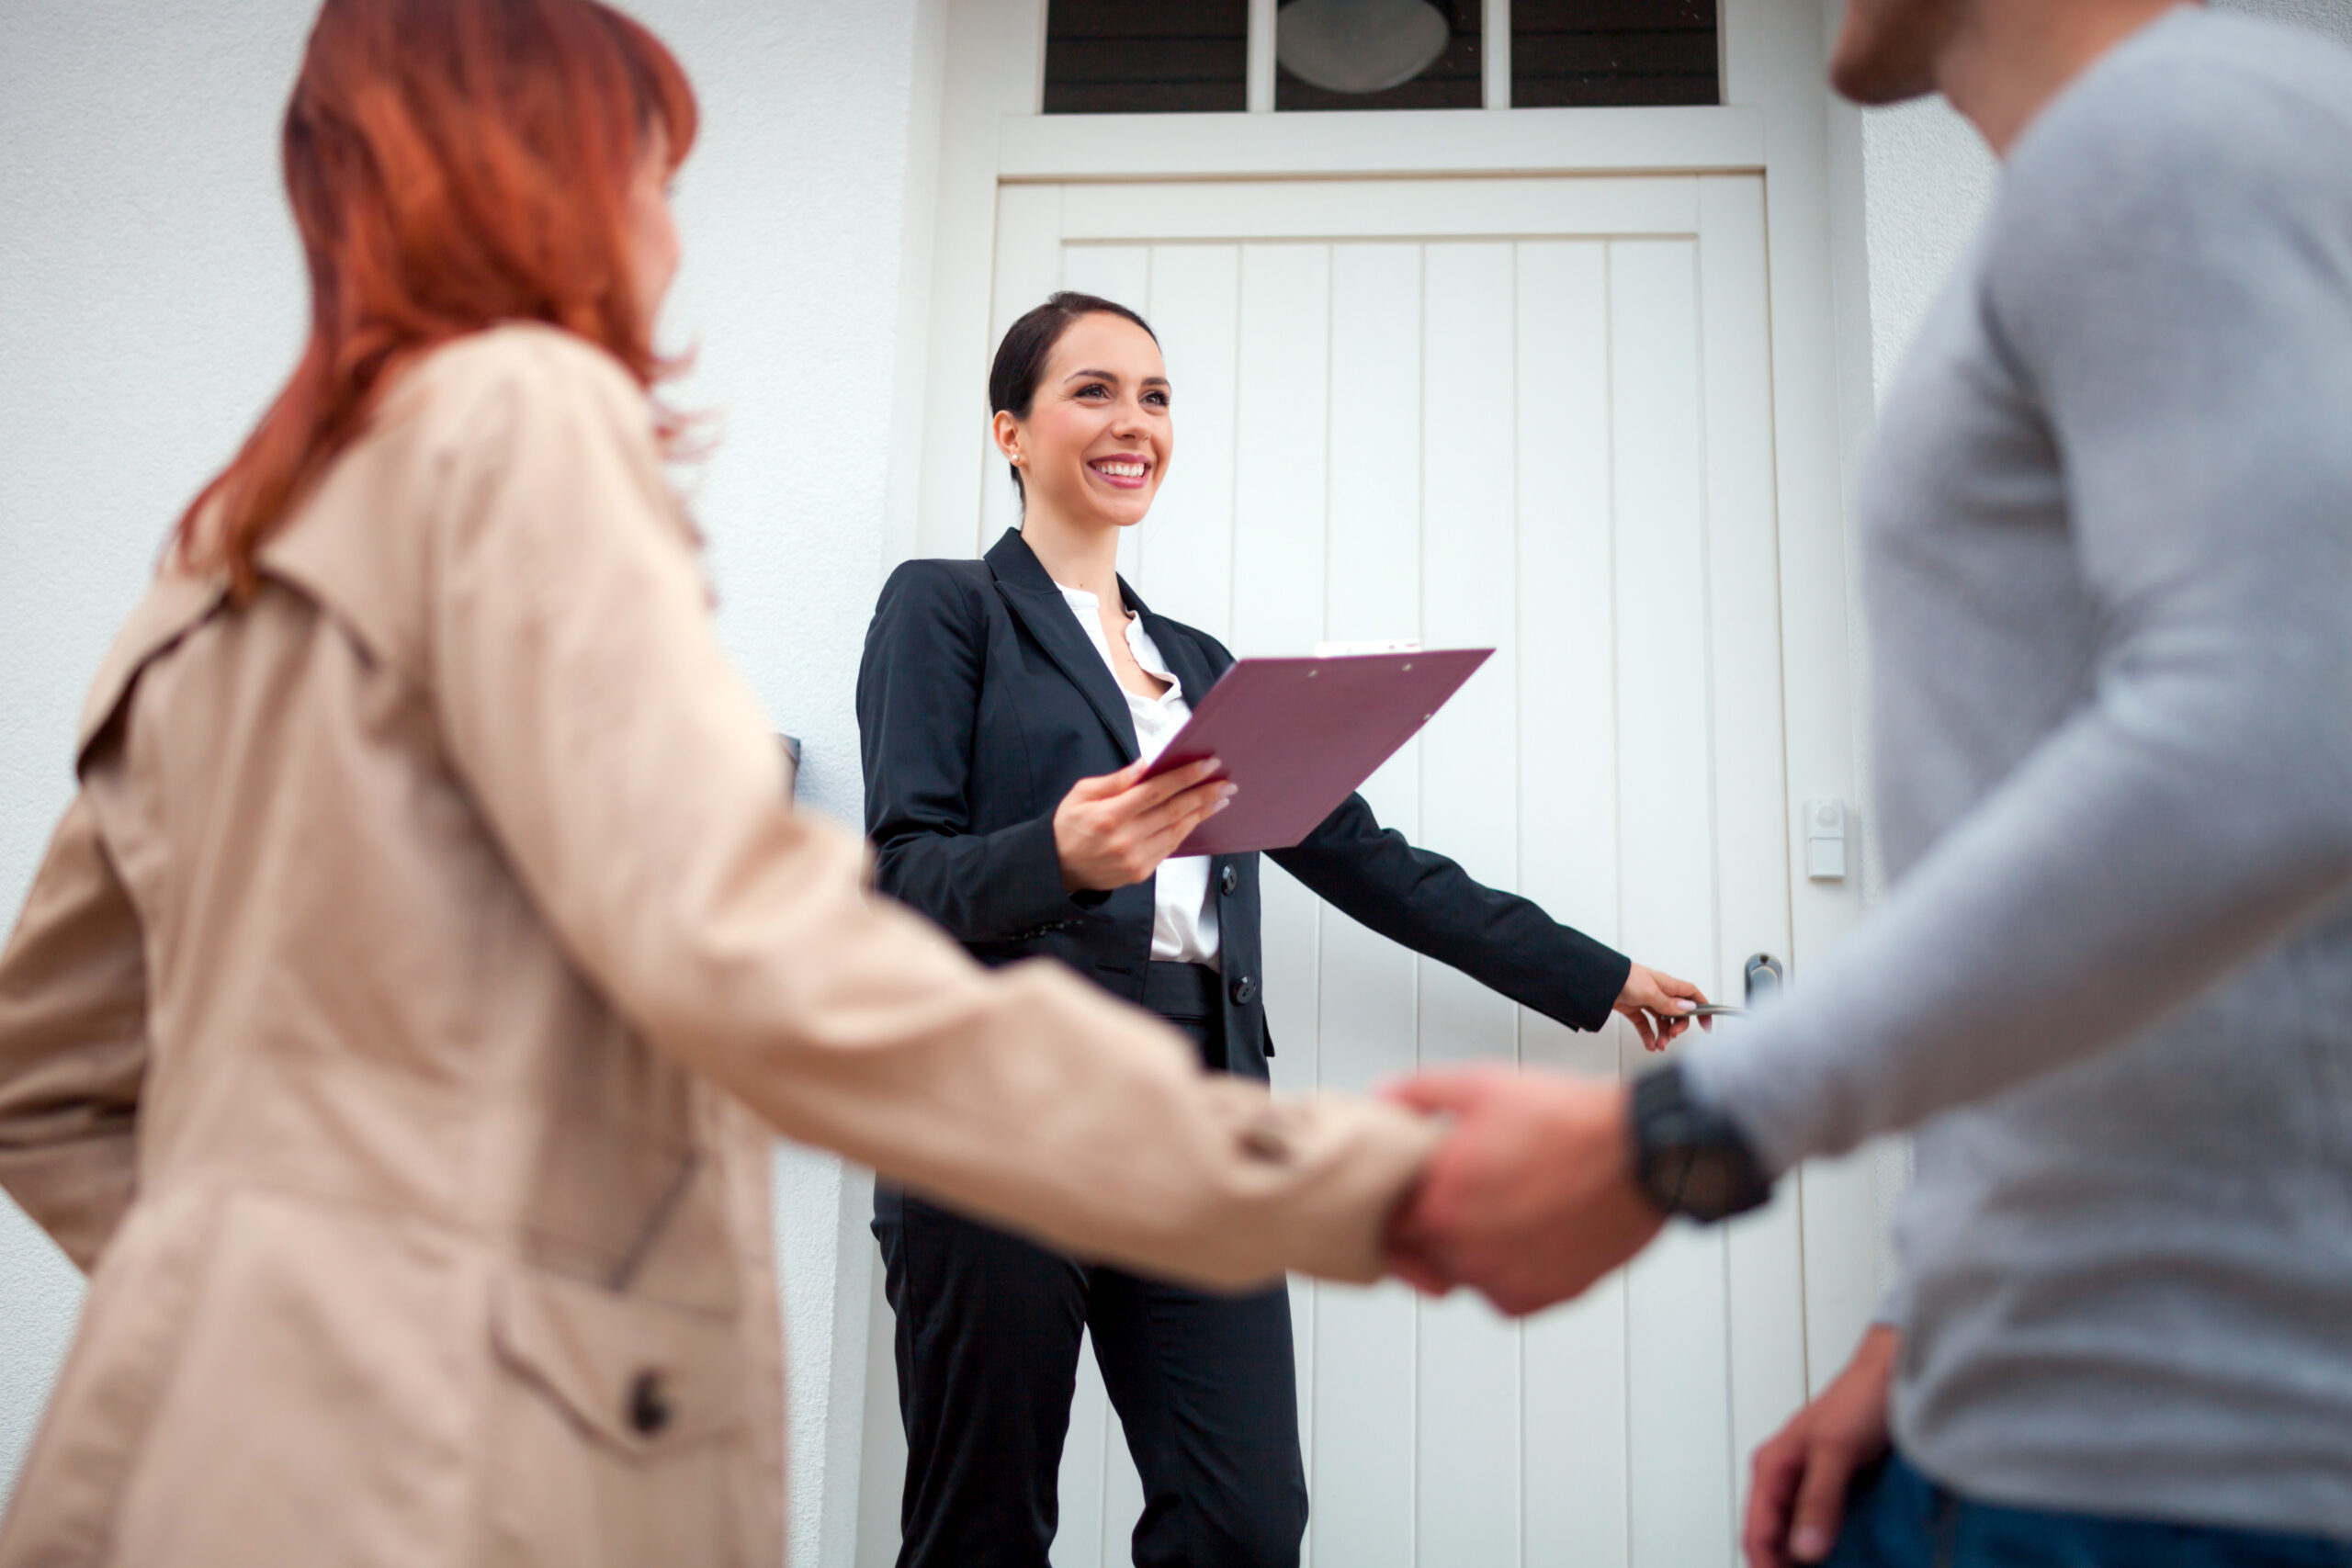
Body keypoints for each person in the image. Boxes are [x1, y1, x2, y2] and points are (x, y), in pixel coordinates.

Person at [0, 6, 1440, 1563]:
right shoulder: (530, 494)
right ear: (528, 201)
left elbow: (43, 1076)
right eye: (642, 184)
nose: (667, 248)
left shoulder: (233, 552)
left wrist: (239, 1314)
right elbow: (805, 974)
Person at [1385, 1, 2352, 1564]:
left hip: (2188, 1468)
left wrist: (1679, 1135)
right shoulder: (2146, 164)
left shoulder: (2170, 137)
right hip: (2026, 1410)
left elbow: (2280, 725)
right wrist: (1921, 1335)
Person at [855, 288, 1708, 1568]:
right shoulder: (947, 609)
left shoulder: (1203, 667)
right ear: (1010, 432)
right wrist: (1061, 855)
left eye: (1154, 395)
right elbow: (901, 879)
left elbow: (1372, 866)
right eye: (1091, 391)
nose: (1132, 420)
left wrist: (1597, 974)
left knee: (1246, 1522)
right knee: (981, 1530)